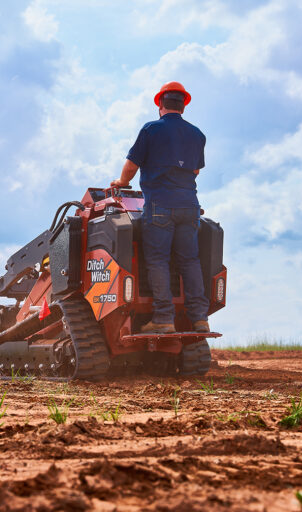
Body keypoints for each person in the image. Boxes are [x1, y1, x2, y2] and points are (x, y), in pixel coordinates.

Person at [110, 81, 211, 333]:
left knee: (158, 260)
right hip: (190, 206)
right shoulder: (198, 134)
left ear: (160, 105)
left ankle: (163, 319)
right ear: (183, 107)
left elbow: (132, 165)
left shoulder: (151, 130)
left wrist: (122, 182)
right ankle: (200, 318)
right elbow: (195, 169)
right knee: (190, 260)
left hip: (160, 206)